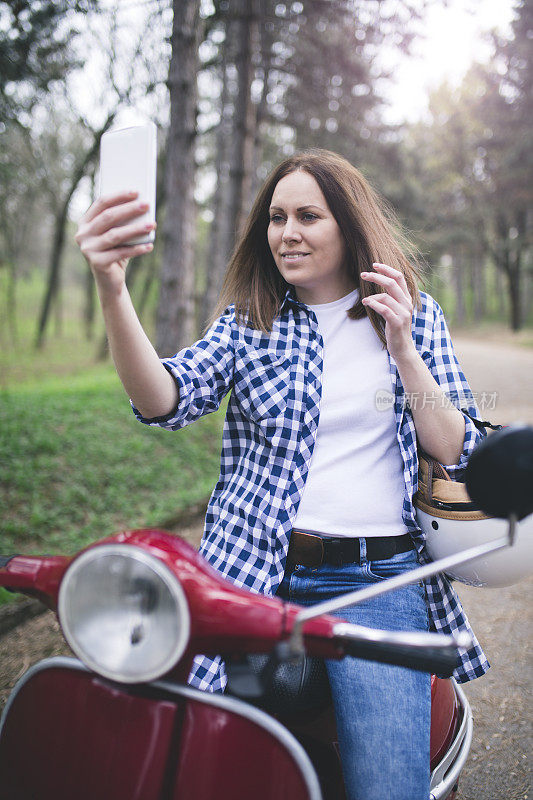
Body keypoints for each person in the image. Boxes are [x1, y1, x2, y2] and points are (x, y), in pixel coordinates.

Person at [76, 148, 488, 800]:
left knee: (386, 787)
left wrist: (403, 349)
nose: (286, 232)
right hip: (251, 577)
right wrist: (112, 287)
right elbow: (163, 398)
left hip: (376, 581)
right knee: (200, 765)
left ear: (348, 226)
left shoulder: (414, 314)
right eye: (275, 217)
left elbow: (456, 444)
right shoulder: (251, 322)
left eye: (307, 215)